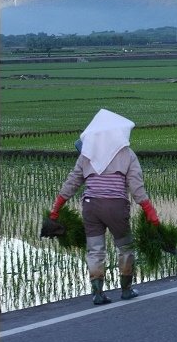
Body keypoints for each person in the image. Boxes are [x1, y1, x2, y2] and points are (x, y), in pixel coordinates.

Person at [48, 108, 160, 305]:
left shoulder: (87, 154)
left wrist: (57, 207)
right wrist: (149, 211)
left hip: (90, 207)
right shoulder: (127, 154)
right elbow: (136, 187)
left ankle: (98, 294)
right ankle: (126, 289)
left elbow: (72, 182)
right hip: (116, 207)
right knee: (125, 247)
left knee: (95, 250)